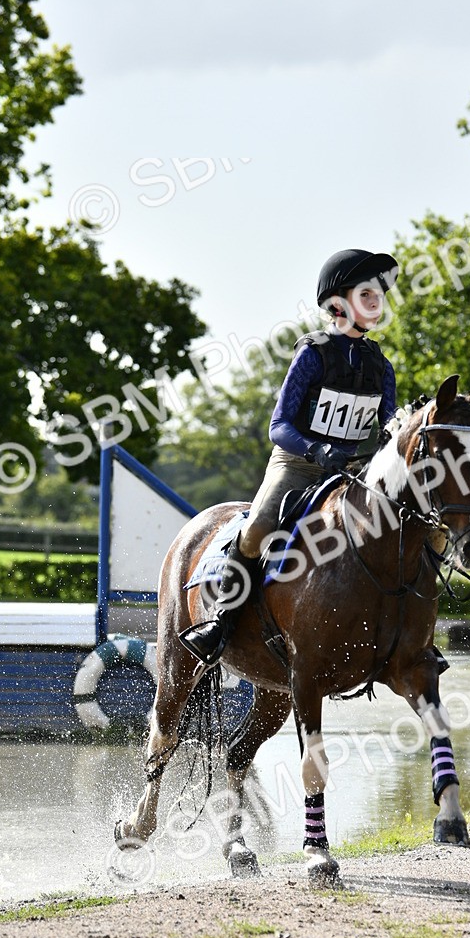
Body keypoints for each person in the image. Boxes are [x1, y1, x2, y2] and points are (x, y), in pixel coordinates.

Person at [179, 248, 400, 666]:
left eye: (379, 296)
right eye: (368, 294)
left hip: (349, 473)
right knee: (260, 524)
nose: (377, 303)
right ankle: (221, 622)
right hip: (297, 464)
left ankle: (403, 636)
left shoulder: (381, 367)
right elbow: (278, 425)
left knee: (399, 525)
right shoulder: (312, 354)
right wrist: (317, 449)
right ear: (339, 303)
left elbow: (387, 427)